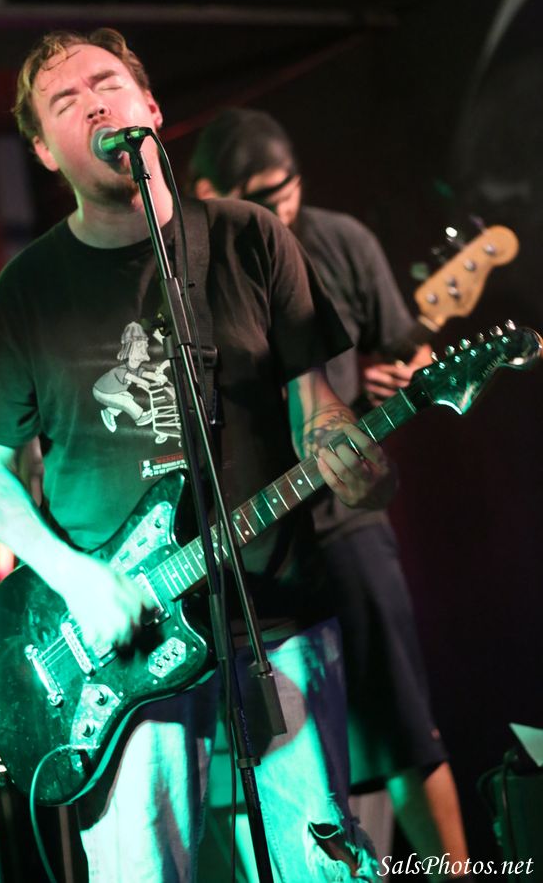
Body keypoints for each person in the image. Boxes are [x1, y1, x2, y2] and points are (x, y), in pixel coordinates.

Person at [0, 29, 396, 883]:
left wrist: (347, 452)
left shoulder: (250, 239)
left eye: (108, 83)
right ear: (45, 151)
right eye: (65, 102)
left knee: (322, 864)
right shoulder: (26, 292)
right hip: (120, 648)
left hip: (276, 613)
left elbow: (317, 406)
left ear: (151, 108)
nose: (95, 103)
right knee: (146, 869)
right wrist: (80, 582)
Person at [190, 108, 470, 881]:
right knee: (282, 755)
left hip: (342, 522)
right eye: (262, 195)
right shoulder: (196, 269)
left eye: (289, 189)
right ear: (210, 191)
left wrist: (405, 377)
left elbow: (410, 348)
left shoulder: (342, 240)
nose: (281, 206)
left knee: (404, 729)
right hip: (254, 545)